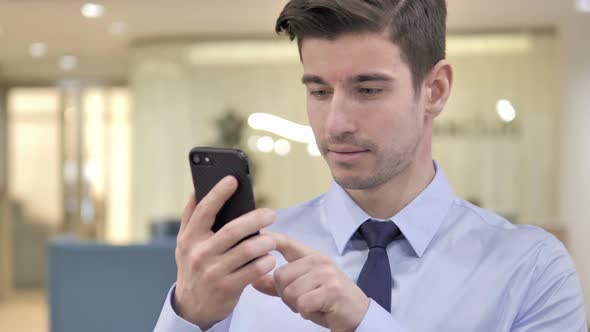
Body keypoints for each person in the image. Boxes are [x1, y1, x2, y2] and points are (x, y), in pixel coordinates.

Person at [154, 0, 588, 331]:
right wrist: (189, 316)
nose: (336, 124)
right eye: (320, 92)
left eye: (368, 90)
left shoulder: (530, 269)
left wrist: (365, 322)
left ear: (434, 90)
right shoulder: (249, 263)